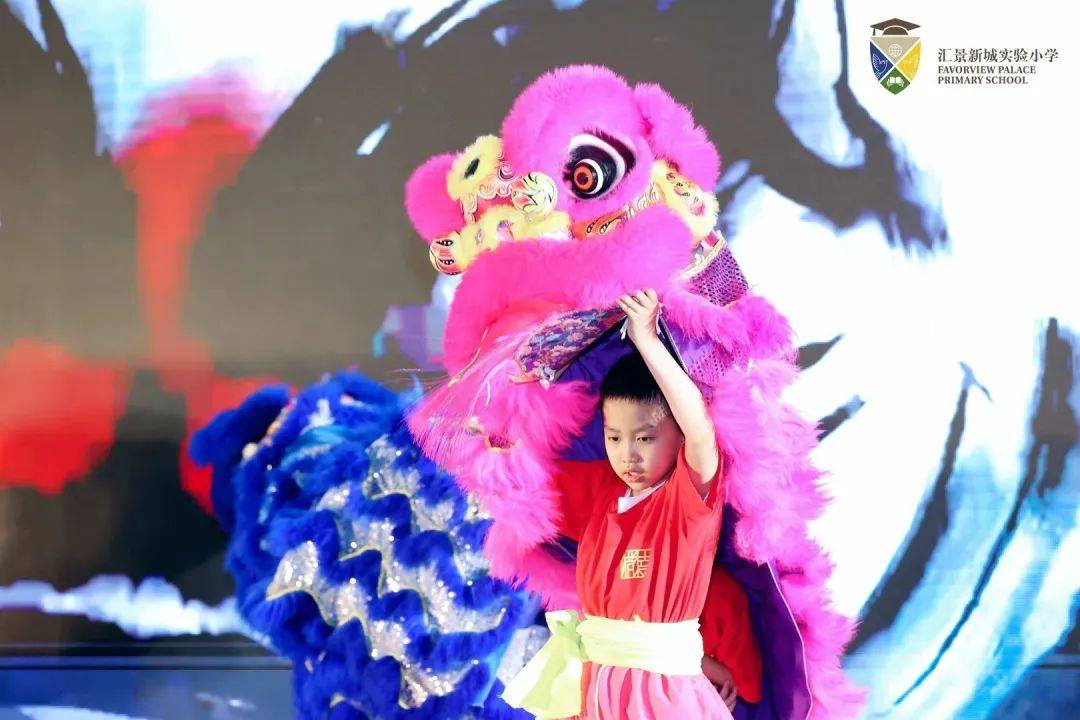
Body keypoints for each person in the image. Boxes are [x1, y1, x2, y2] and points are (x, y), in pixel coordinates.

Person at [504, 288, 743, 719]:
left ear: (677, 433)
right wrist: (500, 427)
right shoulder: (602, 491)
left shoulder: (687, 499)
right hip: (596, 691)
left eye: (645, 438)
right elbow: (524, 479)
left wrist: (646, 341)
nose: (628, 454)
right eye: (614, 437)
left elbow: (701, 431)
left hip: (661, 703)